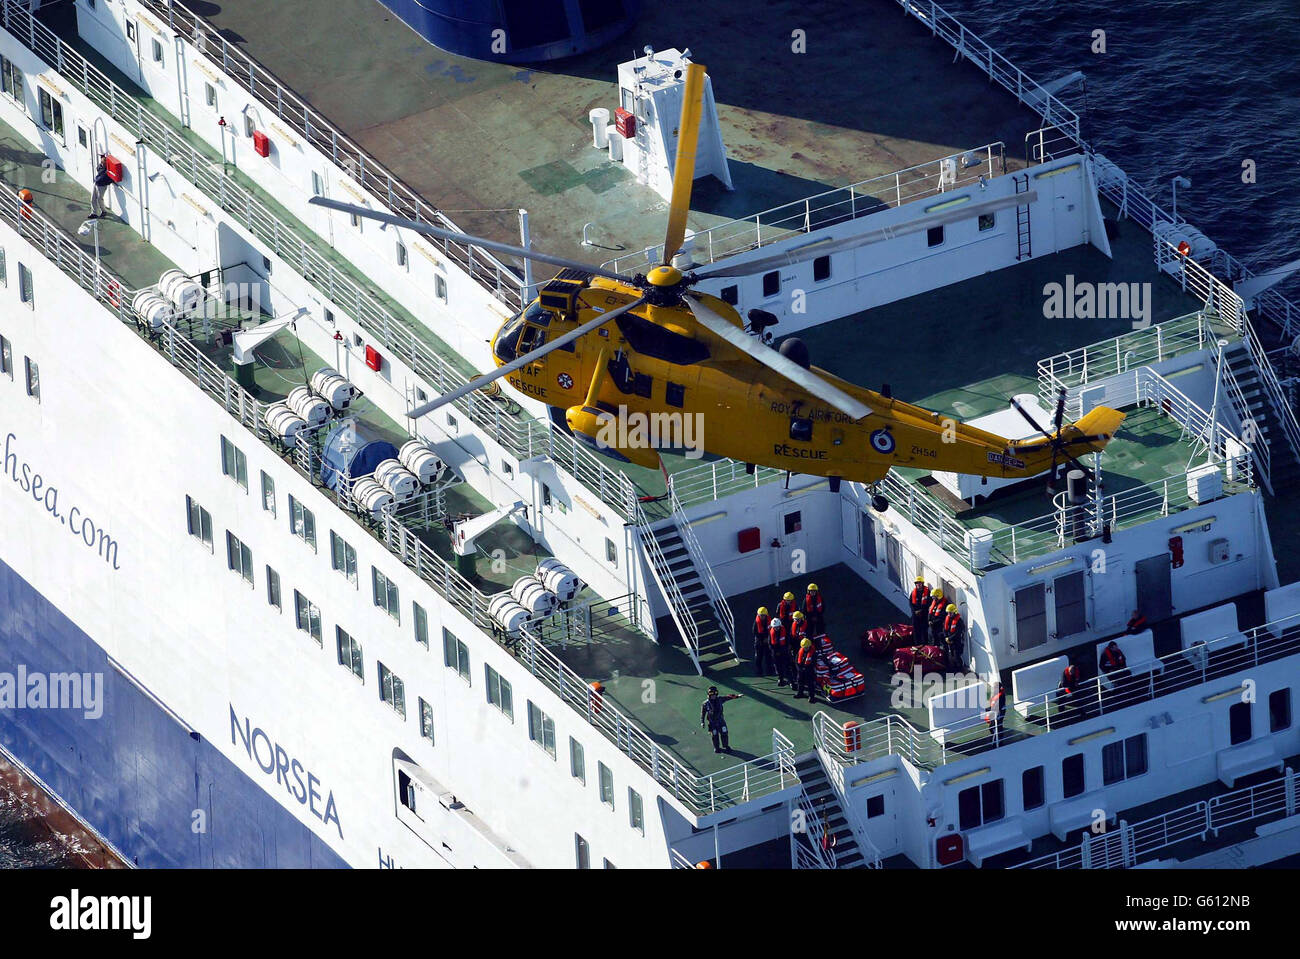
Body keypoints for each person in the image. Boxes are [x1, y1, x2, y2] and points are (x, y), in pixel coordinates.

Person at [700, 686, 743, 753]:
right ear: (709, 695)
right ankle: (716, 747)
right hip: (712, 723)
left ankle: (726, 746)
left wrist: (737, 696)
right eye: (712, 695)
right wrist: (702, 722)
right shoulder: (705, 704)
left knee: (724, 733)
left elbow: (728, 697)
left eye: (715, 695)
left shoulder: (719, 699)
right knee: (714, 735)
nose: (713, 696)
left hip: (720, 720)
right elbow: (703, 713)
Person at [794, 637, 823, 703]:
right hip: (801, 670)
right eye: (804, 647)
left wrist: (807, 669)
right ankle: (800, 693)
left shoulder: (813, 653)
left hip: (809, 671)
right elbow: (796, 661)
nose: (806, 648)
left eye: (807, 647)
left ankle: (811, 696)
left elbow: (814, 663)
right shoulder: (800, 652)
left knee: (810, 684)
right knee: (800, 682)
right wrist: (799, 669)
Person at [769, 616, 793, 687]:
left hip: (784, 651)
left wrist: (787, 648)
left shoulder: (784, 631)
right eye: (775, 627)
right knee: (778, 667)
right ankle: (781, 679)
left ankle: (791, 681)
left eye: (777, 627)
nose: (776, 628)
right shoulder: (771, 634)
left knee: (787, 666)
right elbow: (770, 644)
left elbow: (787, 640)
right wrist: (775, 652)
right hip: (776, 653)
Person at [942, 604, 966, 670]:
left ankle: (960, 669)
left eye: (950, 613)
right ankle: (954, 668)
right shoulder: (947, 619)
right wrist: (946, 637)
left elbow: (958, 632)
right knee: (951, 655)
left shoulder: (959, 621)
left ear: (954, 612)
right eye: (948, 613)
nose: (949, 614)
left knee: (956, 656)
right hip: (949, 641)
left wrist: (949, 638)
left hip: (956, 641)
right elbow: (944, 629)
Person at [753, 606, 773, 677]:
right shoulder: (756, 622)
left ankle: (769, 671)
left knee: (768, 656)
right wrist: (762, 639)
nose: (762, 617)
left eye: (763, 615)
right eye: (761, 615)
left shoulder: (769, 621)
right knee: (758, 657)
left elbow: (772, 630)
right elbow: (755, 632)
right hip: (759, 642)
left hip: (767, 641)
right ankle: (759, 671)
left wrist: (768, 638)